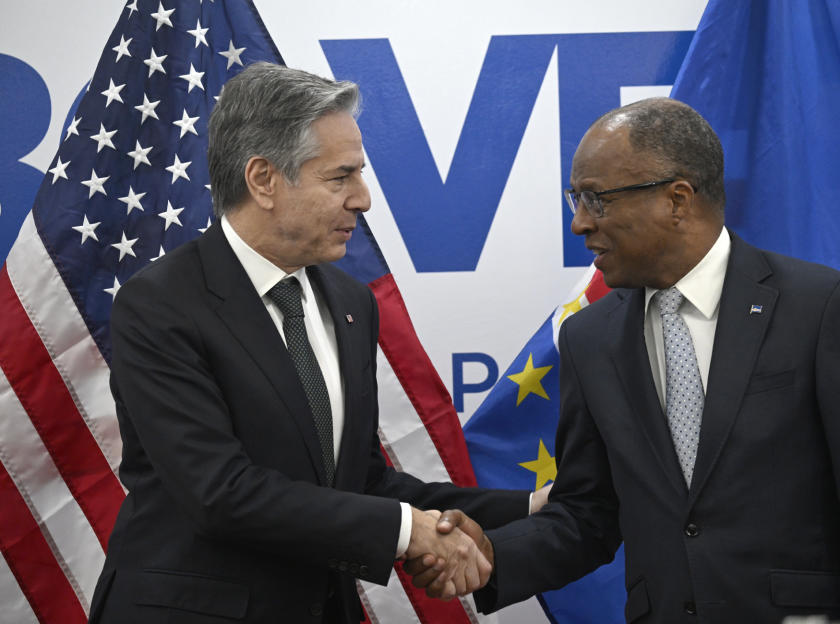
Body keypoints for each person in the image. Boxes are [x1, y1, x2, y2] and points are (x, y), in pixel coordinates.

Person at [410, 98, 840, 623]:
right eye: (576, 201)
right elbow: (588, 514)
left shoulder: (820, 309)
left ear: (678, 199)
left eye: (596, 200)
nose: (580, 224)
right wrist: (495, 555)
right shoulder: (590, 338)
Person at [87, 62, 534, 623]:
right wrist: (407, 531)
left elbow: (361, 479)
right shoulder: (160, 304)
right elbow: (220, 493)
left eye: (360, 175)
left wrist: (529, 508)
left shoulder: (350, 301)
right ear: (263, 180)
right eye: (340, 177)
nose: (363, 199)